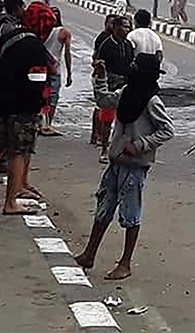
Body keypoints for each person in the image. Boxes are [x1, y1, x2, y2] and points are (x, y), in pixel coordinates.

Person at [73, 53, 173, 280]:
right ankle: (89, 254)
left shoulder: (151, 101)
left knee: (130, 214)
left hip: (135, 166)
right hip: (117, 161)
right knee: (104, 208)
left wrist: (140, 145)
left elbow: (167, 130)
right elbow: (104, 101)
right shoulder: (126, 92)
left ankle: (125, 263)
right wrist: (100, 78)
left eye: (135, 68)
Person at [0, 2, 55, 215]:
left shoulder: (8, 38)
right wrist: (35, 107)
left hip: (1, 105)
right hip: (23, 111)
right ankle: (11, 202)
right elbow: (36, 83)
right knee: (18, 153)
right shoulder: (36, 47)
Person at [95, 15, 135, 163]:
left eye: (129, 27)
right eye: (124, 26)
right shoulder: (106, 45)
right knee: (107, 118)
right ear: (116, 27)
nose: (127, 29)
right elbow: (99, 63)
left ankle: (121, 148)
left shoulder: (128, 45)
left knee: (125, 119)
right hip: (111, 85)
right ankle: (104, 149)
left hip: (125, 84)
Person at [40, 7, 72, 136]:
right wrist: (69, 73)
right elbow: (67, 54)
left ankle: (42, 123)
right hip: (55, 70)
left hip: (41, 69)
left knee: (42, 97)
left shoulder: (41, 31)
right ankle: (48, 125)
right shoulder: (64, 33)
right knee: (52, 98)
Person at [90, 14, 119, 148]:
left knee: (107, 108)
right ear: (106, 24)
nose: (113, 26)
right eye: (111, 23)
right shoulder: (103, 39)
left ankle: (101, 135)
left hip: (113, 78)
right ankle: (96, 134)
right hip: (102, 77)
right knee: (101, 106)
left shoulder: (120, 42)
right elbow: (95, 58)